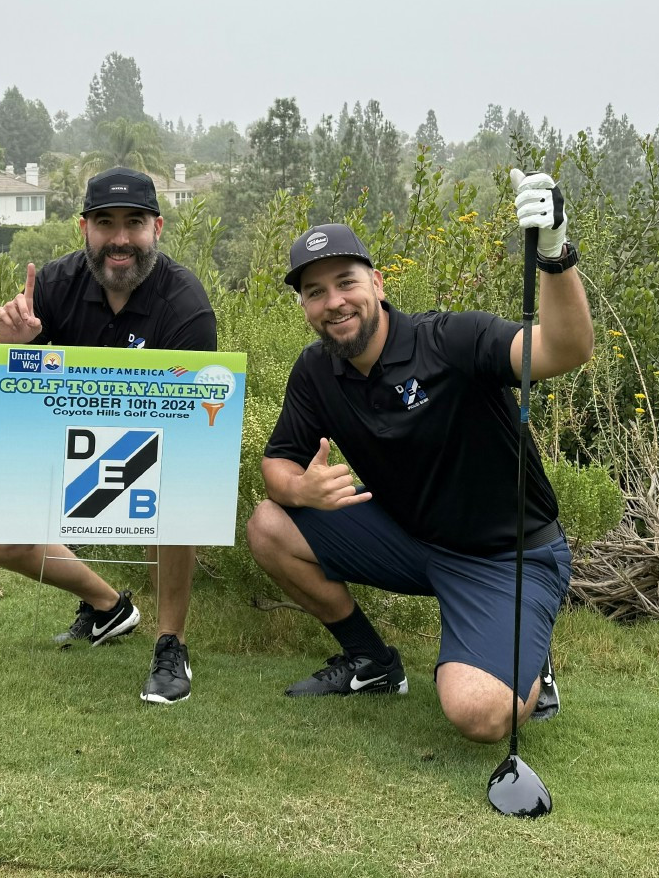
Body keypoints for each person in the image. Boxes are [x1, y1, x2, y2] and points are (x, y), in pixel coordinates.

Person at [247, 170, 593, 742]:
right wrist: (299, 490)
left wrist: (554, 253)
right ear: (304, 305)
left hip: (508, 556)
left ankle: (531, 659)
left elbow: (565, 348)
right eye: (314, 292)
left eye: (345, 282)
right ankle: (372, 663)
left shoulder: (450, 341)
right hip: (413, 542)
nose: (333, 303)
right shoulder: (315, 371)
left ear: (378, 283)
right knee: (268, 523)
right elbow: (277, 464)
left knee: (478, 714)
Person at [0, 168, 217, 704]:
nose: (121, 238)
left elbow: (195, 431)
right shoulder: (54, 284)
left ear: (158, 228)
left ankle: (170, 641)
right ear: (84, 228)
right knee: (0, 540)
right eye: (106, 223)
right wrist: (6, 346)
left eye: (135, 223)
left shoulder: (186, 303)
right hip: (65, 437)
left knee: (182, 491)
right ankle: (110, 606)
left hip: (154, 447)